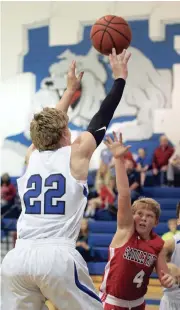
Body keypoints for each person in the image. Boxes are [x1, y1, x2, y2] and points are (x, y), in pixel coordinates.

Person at [1, 48, 131, 310]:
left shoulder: (31, 155)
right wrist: (119, 79)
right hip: (55, 257)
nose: (71, 131)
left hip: (16, 259)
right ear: (62, 133)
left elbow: (46, 127)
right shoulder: (77, 152)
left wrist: (69, 91)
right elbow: (102, 116)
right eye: (67, 128)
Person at [99, 132, 174, 310]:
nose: (143, 218)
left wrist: (168, 279)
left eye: (149, 216)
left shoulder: (158, 244)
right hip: (112, 302)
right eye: (139, 213)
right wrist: (118, 159)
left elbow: (164, 275)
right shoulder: (125, 230)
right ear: (131, 217)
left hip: (139, 304)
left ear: (156, 223)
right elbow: (124, 194)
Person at [160, 202, 180, 310]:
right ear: (178, 221)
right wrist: (165, 266)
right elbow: (150, 259)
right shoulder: (170, 244)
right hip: (173, 303)